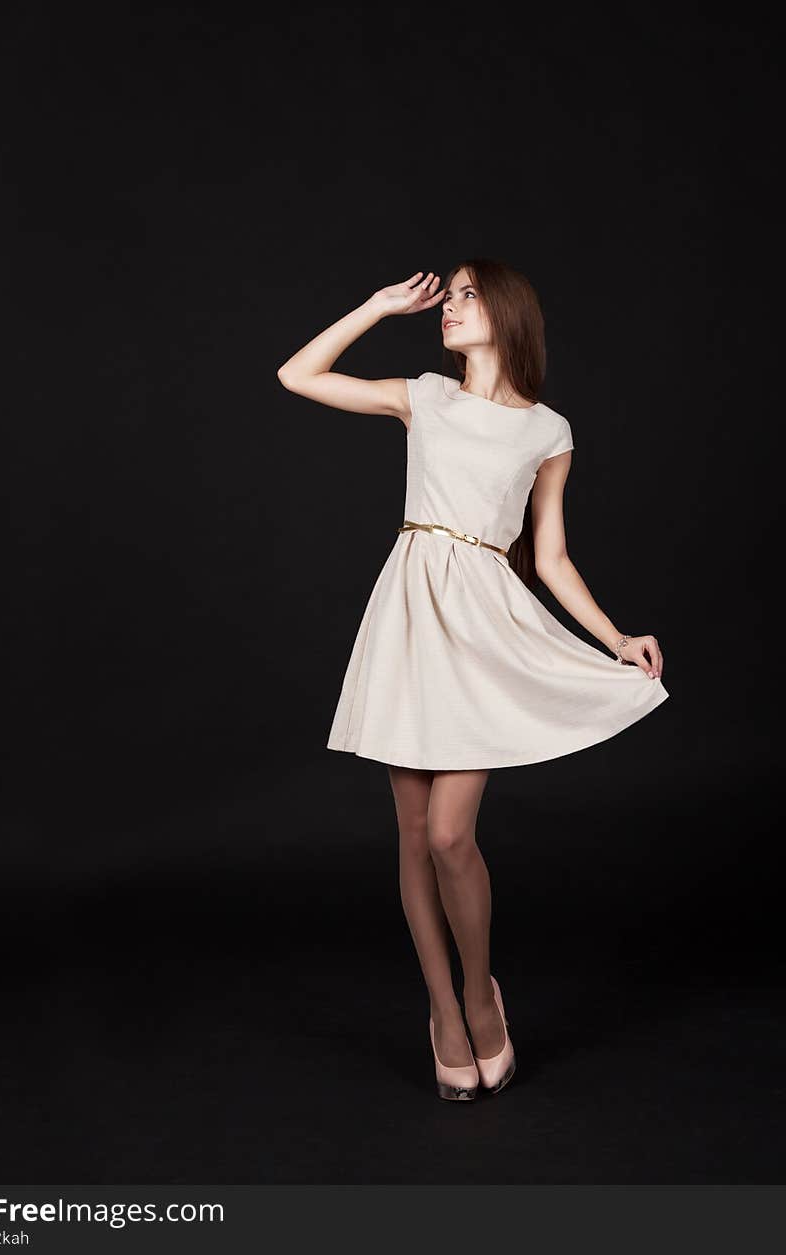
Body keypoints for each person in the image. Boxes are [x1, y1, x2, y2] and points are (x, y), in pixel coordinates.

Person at [277, 259, 668, 1102]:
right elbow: (296, 375)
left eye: (464, 293)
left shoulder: (547, 431)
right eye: (444, 295)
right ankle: (443, 1012)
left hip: (485, 620)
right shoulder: (425, 395)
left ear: (507, 309)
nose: (448, 307)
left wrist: (615, 635)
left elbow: (551, 556)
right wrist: (377, 307)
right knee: (414, 832)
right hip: (411, 612)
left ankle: (482, 991)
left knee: (454, 835)